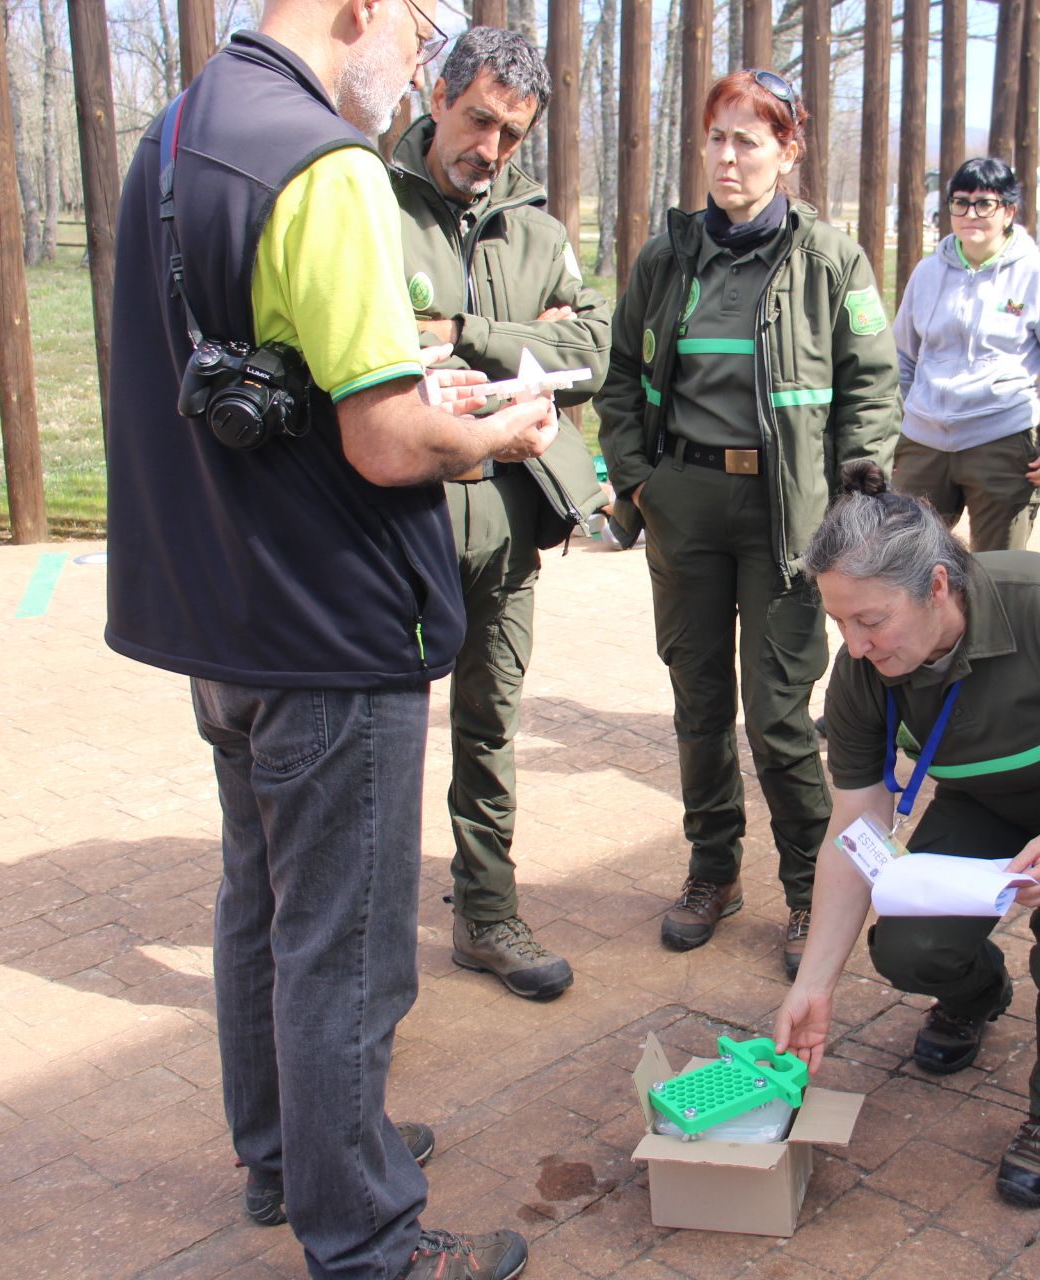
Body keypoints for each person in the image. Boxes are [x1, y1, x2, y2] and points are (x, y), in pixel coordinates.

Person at [104, 1, 555, 1276]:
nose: (418, 66)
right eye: (421, 33)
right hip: (326, 619)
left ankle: (290, 1154)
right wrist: (495, 433)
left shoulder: (180, 133)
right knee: (346, 946)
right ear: (362, 9)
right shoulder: (326, 160)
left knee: (258, 898)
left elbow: (256, 355)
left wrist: (400, 371)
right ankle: (366, 1237)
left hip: (222, 612)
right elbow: (385, 442)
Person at [773, 461, 1040, 1208]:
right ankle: (978, 993)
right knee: (909, 944)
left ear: (938, 586)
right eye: (840, 622)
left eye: (871, 620)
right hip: (995, 798)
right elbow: (858, 820)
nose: (857, 643)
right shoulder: (863, 673)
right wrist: (815, 984)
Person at [595, 69, 900, 977]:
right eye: (717, 138)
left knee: (776, 714)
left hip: (790, 519)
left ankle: (810, 889)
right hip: (684, 502)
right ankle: (712, 872)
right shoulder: (667, 258)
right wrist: (641, 480)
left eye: (750, 141)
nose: (728, 158)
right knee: (696, 702)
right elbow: (620, 377)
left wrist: (853, 507)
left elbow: (872, 390)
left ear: (787, 151)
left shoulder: (831, 259)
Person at [388, 26, 610, 1001]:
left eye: (513, 133)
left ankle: (486, 912)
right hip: (397, 524)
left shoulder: (539, 229)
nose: (491, 147)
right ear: (437, 95)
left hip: (508, 526)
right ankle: (367, 935)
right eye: (479, 119)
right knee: (382, 735)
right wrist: (524, 352)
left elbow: (593, 351)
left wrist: (466, 335)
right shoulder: (371, 205)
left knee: (490, 724)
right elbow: (382, 353)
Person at [889, 156, 1040, 550]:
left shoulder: (1039, 275)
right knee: (905, 563)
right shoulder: (926, 273)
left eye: (984, 203)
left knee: (997, 574)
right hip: (923, 442)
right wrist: (896, 432)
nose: (971, 213)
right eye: (960, 202)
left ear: (1008, 211)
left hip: (1001, 438)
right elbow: (902, 360)